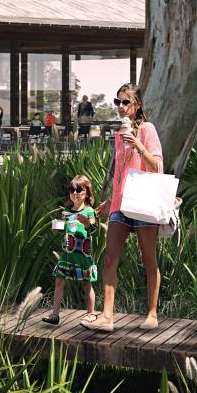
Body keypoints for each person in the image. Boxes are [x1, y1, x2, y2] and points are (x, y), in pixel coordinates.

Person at [85, 83, 162, 333]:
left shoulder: (147, 129)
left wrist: (138, 144)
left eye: (125, 102)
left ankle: (152, 313)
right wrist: (110, 199)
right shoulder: (119, 134)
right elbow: (120, 172)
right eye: (117, 102)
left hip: (143, 201)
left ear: (137, 105)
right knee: (109, 258)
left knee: (148, 258)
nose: (120, 106)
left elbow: (157, 167)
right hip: (121, 203)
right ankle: (107, 316)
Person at [44, 175, 98, 325]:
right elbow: (64, 228)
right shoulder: (67, 211)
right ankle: (55, 314)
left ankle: (91, 313)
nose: (75, 192)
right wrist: (57, 226)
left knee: (86, 284)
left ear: (87, 192)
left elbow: (94, 230)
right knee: (59, 281)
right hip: (67, 255)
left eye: (79, 189)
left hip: (82, 256)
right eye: (72, 190)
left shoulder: (89, 211)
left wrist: (86, 223)